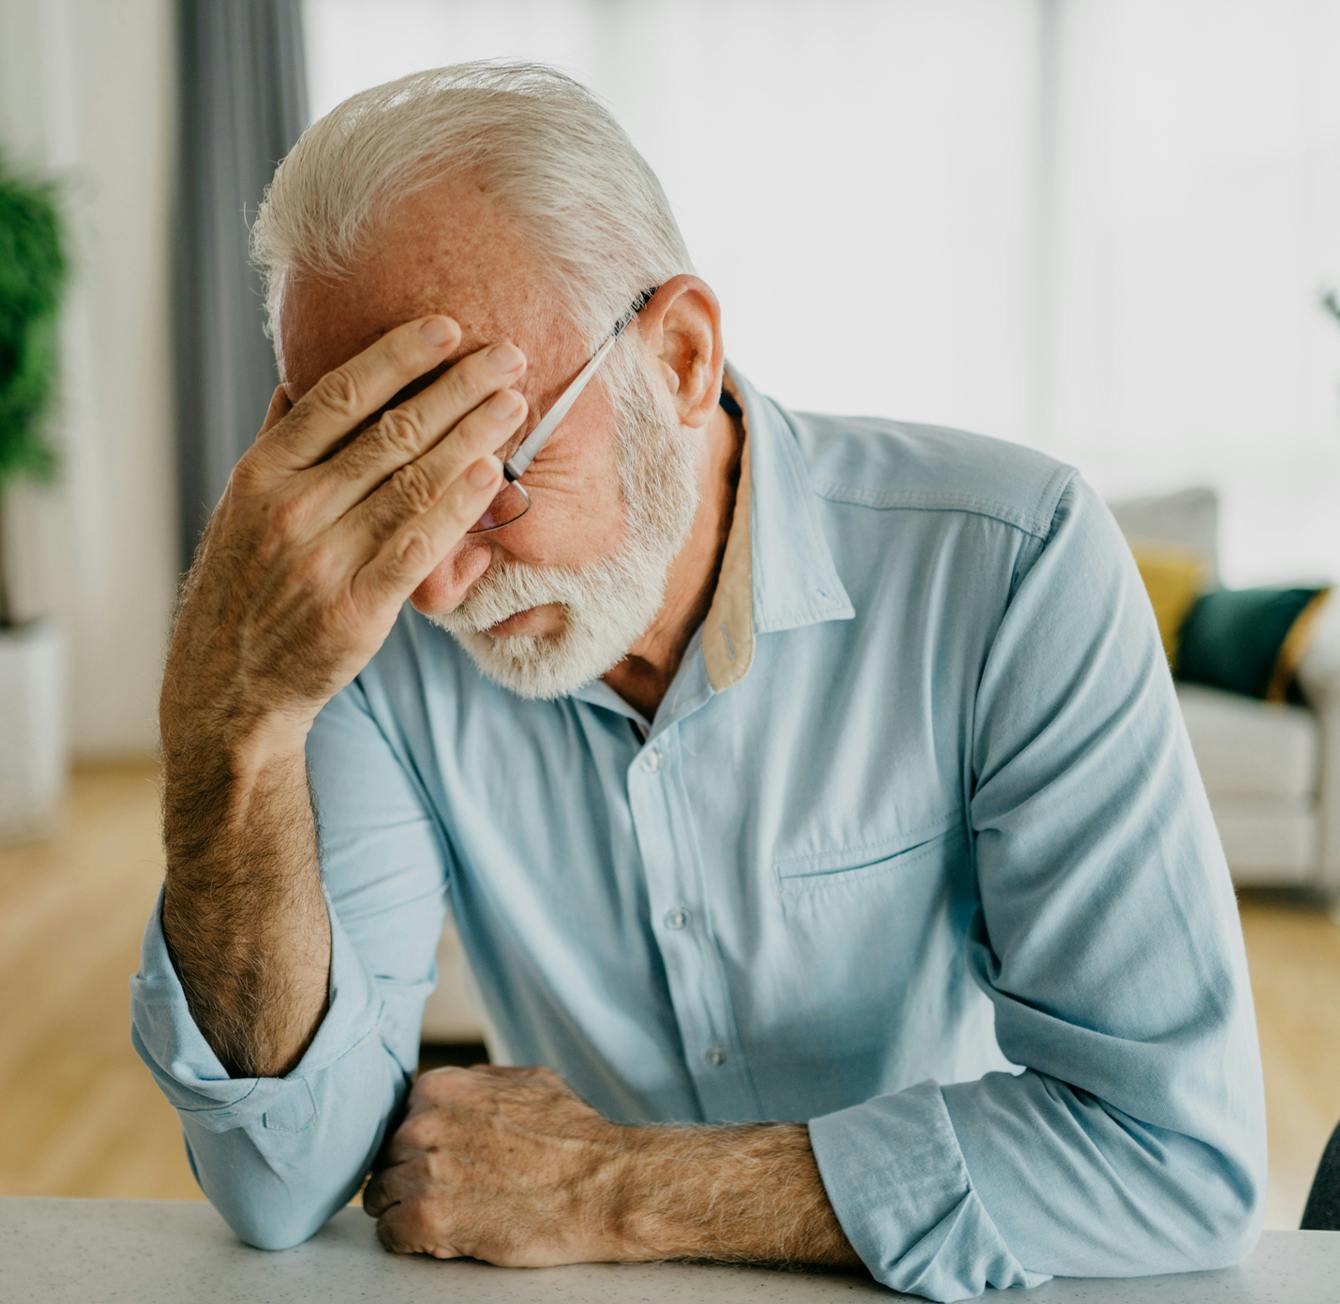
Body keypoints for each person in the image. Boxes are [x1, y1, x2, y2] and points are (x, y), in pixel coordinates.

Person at [129, 59, 1266, 1302]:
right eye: (377, 492)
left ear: (676, 354)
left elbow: (1170, 1156)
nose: (437, 587)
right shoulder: (369, 623)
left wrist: (616, 1186)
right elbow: (279, 1176)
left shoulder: (1009, 564)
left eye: (489, 476)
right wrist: (229, 723)